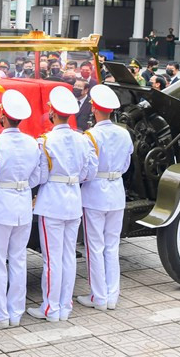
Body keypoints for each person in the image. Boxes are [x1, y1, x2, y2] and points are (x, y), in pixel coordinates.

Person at [29, 86, 97, 322]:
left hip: (52, 201)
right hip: (73, 199)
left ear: (51, 112)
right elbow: (89, 172)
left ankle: (51, 307)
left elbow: (39, 176)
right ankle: (65, 305)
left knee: (52, 258)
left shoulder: (45, 141)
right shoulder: (82, 139)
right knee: (68, 255)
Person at [0, 90, 41, 328]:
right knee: (18, 259)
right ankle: (16, 311)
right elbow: (36, 177)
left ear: (3, 116)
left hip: (0, 205)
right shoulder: (33, 143)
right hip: (23, 203)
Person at [77, 85, 131, 311]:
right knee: (112, 246)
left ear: (94, 108)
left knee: (95, 247)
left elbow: (86, 170)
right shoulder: (124, 133)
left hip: (95, 193)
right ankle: (112, 295)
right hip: (116, 191)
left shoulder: (90, 136)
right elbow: (126, 165)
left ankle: (98, 296)